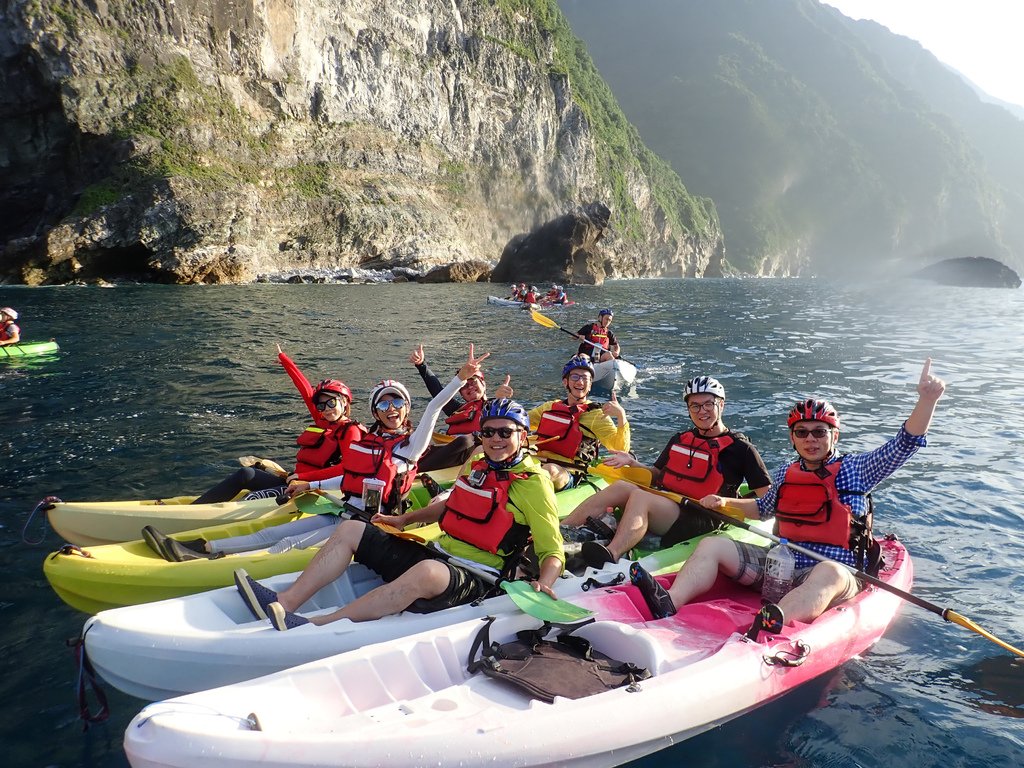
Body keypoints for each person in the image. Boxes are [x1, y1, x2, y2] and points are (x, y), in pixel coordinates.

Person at [653, 359, 945, 627]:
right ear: (793, 438)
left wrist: (927, 400)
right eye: (802, 432)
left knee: (830, 572)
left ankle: (769, 625)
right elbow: (764, 508)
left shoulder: (858, 469)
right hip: (779, 569)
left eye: (819, 432)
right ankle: (670, 601)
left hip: (830, 576)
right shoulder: (786, 471)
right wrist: (724, 502)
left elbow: (904, 444)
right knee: (713, 545)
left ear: (834, 436)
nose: (810, 439)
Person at [233, 399, 566, 631]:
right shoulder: (480, 466)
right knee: (352, 528)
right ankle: (285, 601)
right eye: (488, 432)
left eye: (505, 432)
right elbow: (451, 506)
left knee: (429, 573)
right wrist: (403, 521)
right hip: (441, 556)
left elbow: (552, 550)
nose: (495, 439)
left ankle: (317, 625)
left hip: (479, 579)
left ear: (522, 435)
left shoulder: (534, 484)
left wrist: (545, 582)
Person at [143, 346, 490, 562]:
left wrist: (459, 379)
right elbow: (347, 477)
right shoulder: (366, 442)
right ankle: (199, 544)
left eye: (397, 400)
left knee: (290, 543)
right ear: (375, 411)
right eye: (383, 403)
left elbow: (433, 409)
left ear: (406, 407)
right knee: (268, 534)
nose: (391, 407)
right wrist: (306, 484)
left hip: (372, 526)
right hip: (344, 511)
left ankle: (210, 558)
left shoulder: (411, 448)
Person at [561, 376, 772, 568]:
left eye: (708, 404)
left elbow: (768, 499)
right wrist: (633, 463)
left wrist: (726, 502)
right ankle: (562, 530)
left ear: (721, 404)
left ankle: (612, 553)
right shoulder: (680, 439)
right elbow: (658, 474)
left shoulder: (740, 448)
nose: (702, 411)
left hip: (702, 516)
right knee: (622, 487)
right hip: (669, 503)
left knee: (640, 497)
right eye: (695, 406)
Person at [187, 345, 364, 505]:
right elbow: (305, 390)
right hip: (292, 481)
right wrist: (284, 360)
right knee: (246, 474)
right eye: (321, 405)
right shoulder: (323, 421)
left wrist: (303, 478)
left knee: (251, 498)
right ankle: (194, 509)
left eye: (332, 403)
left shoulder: (350, 431)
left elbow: (346, 469)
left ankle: (205, 514)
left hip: (310, 490)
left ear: (345, 404)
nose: (326, 409)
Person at [528, 353, 630, 491]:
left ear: (590, 385)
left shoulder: (596, 415)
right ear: (566, 382)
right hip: (538, 461)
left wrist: (621, 416)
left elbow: (620, 449)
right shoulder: (549, 407)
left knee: (550, 471)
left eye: (585, 378)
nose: (580, 382)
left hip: (569, 472)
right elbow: (520, 423)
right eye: (575, 377)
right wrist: (497, 400)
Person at [408, 344, 514, 472]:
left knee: (465, 440)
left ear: (483, 384)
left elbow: (502, 422)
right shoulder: (457, 410)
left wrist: (499, 400)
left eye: (473, 381)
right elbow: (437, 390)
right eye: (464, 386)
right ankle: (405, 467)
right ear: (460, 393)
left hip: (475, 452)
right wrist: (421, 365)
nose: (469, 387)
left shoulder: (495, 406)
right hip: (451, 451)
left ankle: (414, 472)